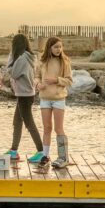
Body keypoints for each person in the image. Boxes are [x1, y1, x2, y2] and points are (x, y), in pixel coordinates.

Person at [35, 36, 72, 168]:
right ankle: (45, 156)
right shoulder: (42, 61)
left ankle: (63, 157)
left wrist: (56, 80)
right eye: (56, 47)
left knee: (58, 128)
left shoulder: (65, 61)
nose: (58, 49)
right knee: (47, 128)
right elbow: (36, 76)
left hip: (58, 99)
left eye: (60, 47)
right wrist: (38, 84)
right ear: (49, 47)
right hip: (45, 99)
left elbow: (69, 81)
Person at [6, 33, 43, 162]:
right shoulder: (28, 56)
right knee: (17, 122)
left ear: (15, 45)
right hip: (25, 94)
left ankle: (41, 152)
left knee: (29, 124)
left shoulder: (21, 59)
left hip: (24, 95)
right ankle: (13, 151)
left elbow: (13, 73)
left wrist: (11, 56)